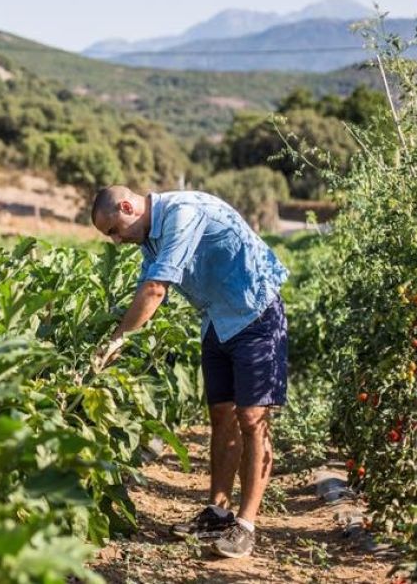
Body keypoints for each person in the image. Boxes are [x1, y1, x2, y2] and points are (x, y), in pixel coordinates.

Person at [90, 185, 289, 559]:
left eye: (114, 230)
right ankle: (217, 512)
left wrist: (116, 341)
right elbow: (142, 293)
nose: (116, 241)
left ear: (128, 206)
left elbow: (154, 290)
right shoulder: (150, 240)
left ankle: (246, 526)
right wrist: (112, 329)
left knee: (252, 418)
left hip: (256, 312)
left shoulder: (182, 212)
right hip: (217, 320)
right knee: (221, 416)